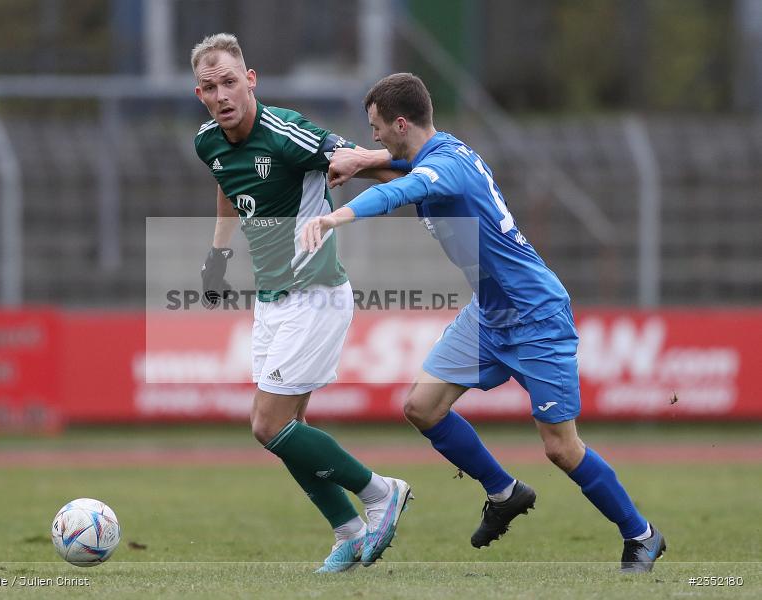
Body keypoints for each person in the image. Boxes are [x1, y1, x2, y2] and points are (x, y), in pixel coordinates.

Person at [301, 72, 666, 573]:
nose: (375, 135)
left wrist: (332, 219)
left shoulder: (445, 168)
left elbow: (398, 189)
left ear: (400, 122)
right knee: (422, 406)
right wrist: (364, 159)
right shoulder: (439, 153)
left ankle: (641, 534)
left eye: (377, 127)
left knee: (561, 448)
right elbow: (398, 167)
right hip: (490, 315)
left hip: (536, 315)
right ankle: (504, 491)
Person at [191, 34, 412, 572]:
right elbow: (226, 185)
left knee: (268, 425)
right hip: (272, 302)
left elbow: (359, 162)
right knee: (288, 434)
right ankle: (350, 532)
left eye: (229, 82)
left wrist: (421, 168)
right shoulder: (208, 142)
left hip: (315, 296)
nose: (221, 94)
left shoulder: (286, 132)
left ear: (251, 80)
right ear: (199, 93)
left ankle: (382, 492)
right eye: (209, 86)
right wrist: (218, 258)